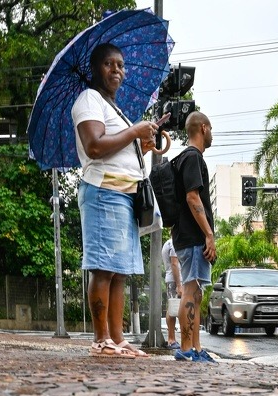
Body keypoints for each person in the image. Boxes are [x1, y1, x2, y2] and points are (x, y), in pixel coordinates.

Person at [72, 43, 159, 359]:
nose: (117, 70)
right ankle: (100, 339)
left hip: (125, 196)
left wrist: (144, 144)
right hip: (103, 194)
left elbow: (117, 149)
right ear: (96, 69)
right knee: (103, 268)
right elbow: (94, 146)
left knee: (120, 270)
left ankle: (117, 339)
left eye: (120, 65)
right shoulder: (89, 100)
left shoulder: (114, 109)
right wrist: (135, 131)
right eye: (109, 64)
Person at [172, 112, 217, 363]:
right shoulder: (191, 158)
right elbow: (192, 197)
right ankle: (186, 349)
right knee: (190, 289)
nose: (212, 134)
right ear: (203, 128)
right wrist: (208, 234)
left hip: (187, 236)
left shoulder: (185, 158)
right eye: (211, 129)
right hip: (192, 237)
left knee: (196, 292)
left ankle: (196, 349)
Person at [162, 237, 182, 348]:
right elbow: (174, 263)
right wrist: (179, 285)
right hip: (175, 280)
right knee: (173, 309)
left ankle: (172, 339)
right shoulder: (175, 242)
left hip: (173, 279)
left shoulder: (169, 242)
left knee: (172, 308)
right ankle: (171, 339)